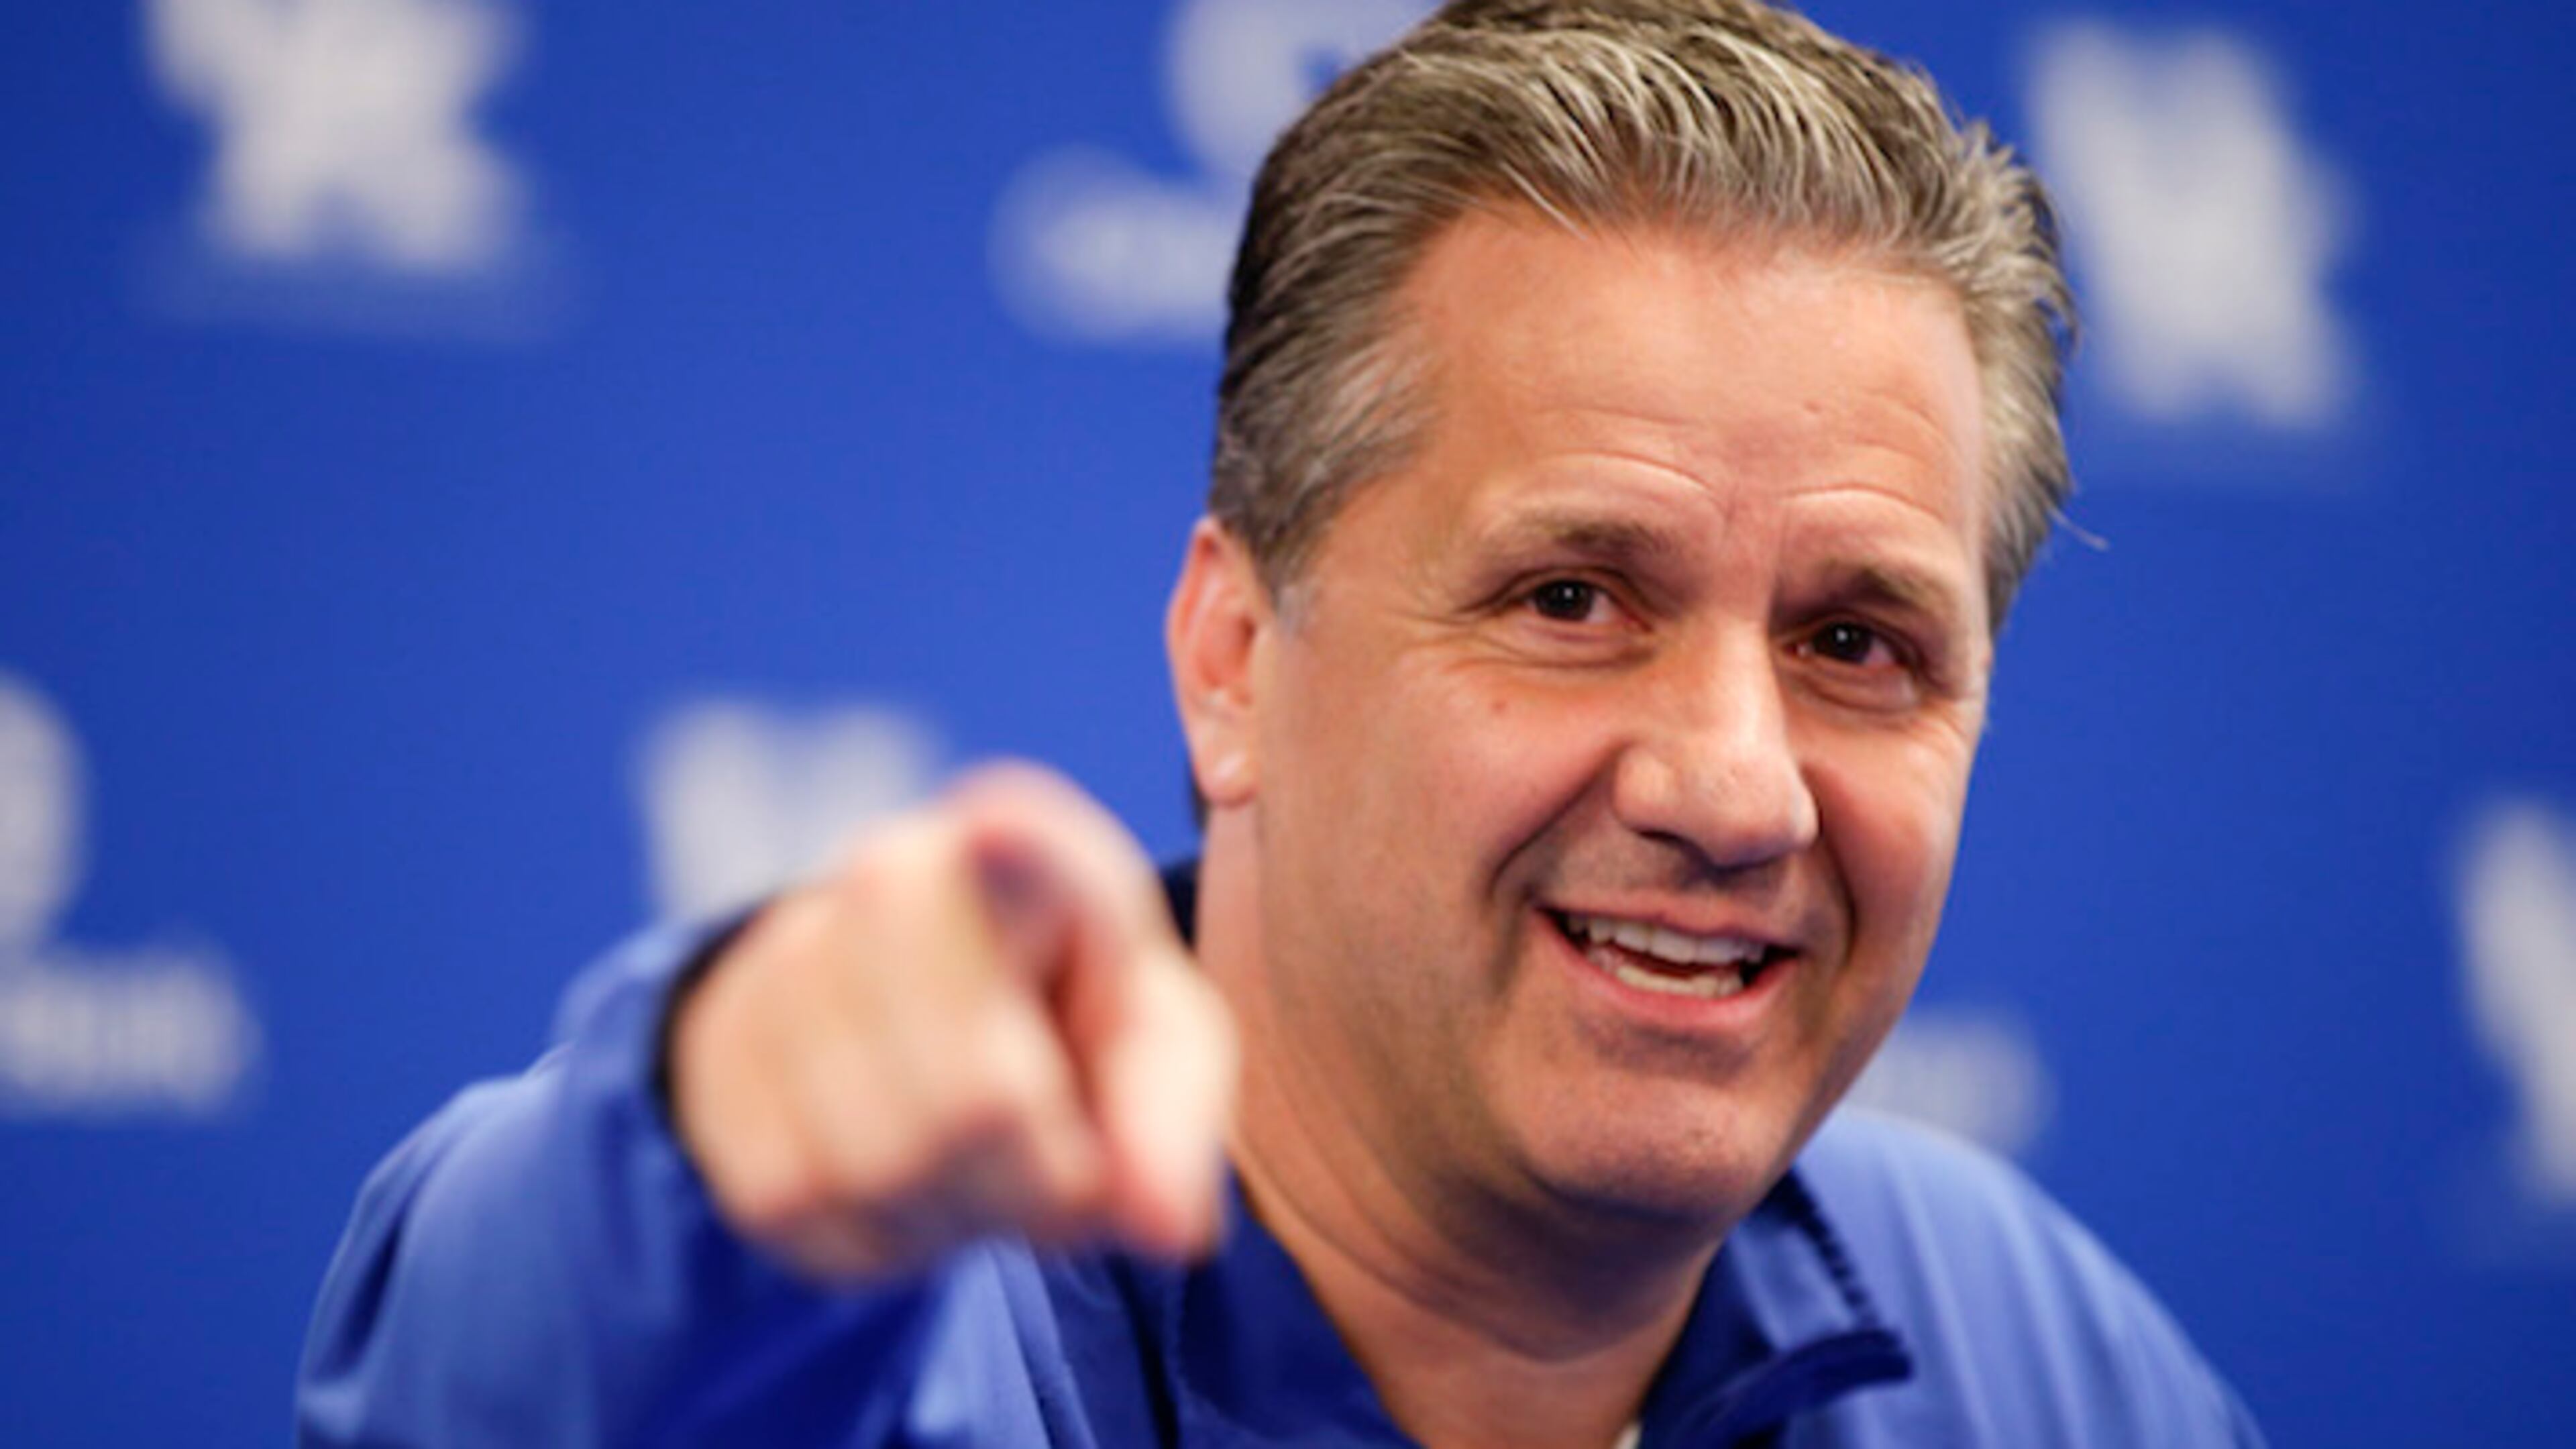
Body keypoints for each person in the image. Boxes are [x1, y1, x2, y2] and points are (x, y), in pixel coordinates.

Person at [297, 3, 2265, 1444]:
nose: (1737, 788)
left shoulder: (2040, 1363)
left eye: (1856, 643)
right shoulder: (891, 1327)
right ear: (1234, 659)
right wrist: (722, 1139)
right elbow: (515, 1366)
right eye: (1572, 600)